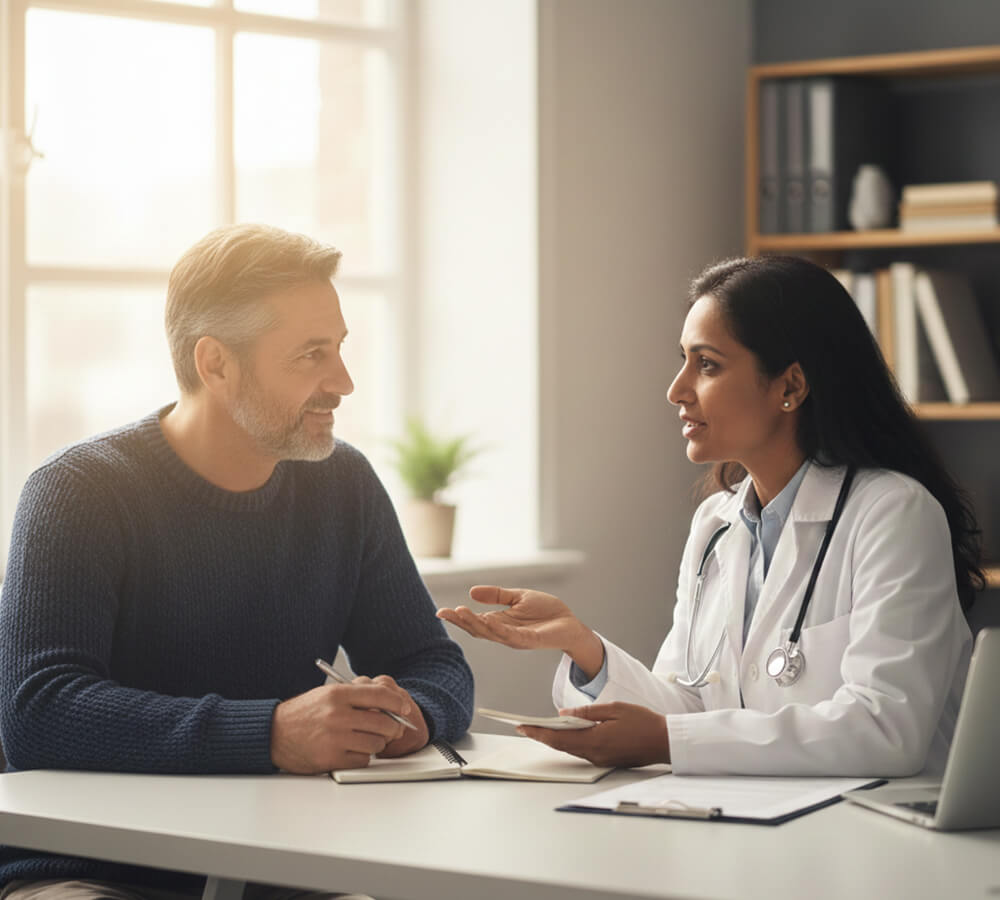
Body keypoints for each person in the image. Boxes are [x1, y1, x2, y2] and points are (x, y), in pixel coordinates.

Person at [0, 223, 474, 898]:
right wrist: (270, 733)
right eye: (311, 355)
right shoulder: (78, 491)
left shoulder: (344, 484)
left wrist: (414, 715)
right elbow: (38, 712)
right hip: (92, 871)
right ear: (216, 363)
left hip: (282, 869)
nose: (343, 382)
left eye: (340, 348)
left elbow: (432, 661)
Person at [439, 254, 981, 777]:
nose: (676, 390)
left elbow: (886, 729)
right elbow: (688, 706)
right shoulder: (715, 526)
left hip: (876, 827)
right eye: (684, 360)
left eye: (707, 365)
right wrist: (584, 647)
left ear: (790, 386)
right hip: (755, 817)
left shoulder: (894, 515)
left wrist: (667, 740)